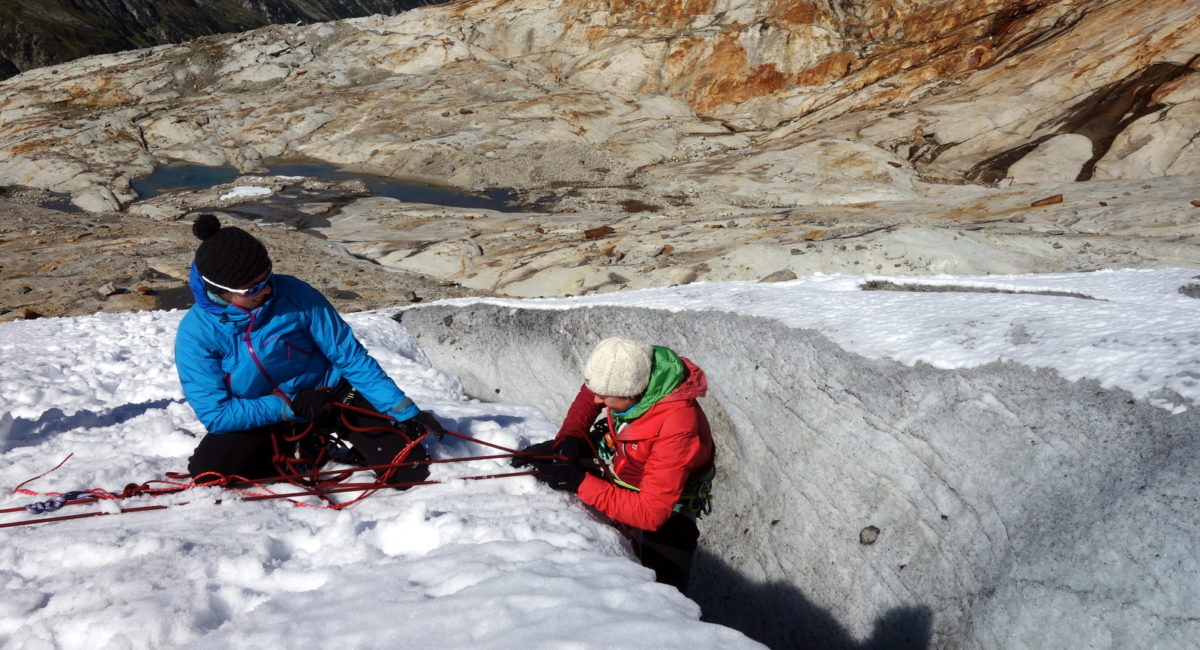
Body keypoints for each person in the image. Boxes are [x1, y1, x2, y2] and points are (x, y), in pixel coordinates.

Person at [174, 213, 444, 484]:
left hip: (330, 396)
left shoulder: (295, 294)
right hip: (263, 412)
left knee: (408, 471)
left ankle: (315, 439)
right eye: (253, 287)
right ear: (220, 291)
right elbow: (216, 413)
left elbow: (349, 356)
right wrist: (289, 407)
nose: (267, 290)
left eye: (267, 276)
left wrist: (403, 410)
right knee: (211, 474)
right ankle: (302, 445)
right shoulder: (196, 334)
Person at [516, 337, 715, 592]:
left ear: (632, 394)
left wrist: (579, 482)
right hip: (624, 455)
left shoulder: (678, 426)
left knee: (664, 590)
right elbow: (591, 393)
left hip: (668, 503)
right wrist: (571, 437)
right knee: (539, 459)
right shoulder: (630, 366)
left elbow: (651, 513)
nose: (596, 400)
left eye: (605, 396)